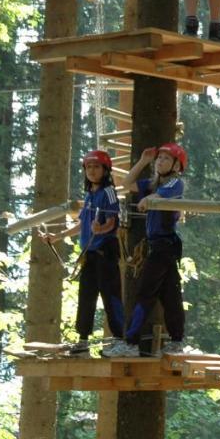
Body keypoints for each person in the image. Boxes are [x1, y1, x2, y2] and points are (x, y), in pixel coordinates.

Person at [102, 143, 190, 357]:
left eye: (166, 159)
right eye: (159, 158)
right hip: (160, 248)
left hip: (164, 246)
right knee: (170, 295)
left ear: (177, 166)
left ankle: (131, 342)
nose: (160, 161)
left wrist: (147, 200)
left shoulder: (176, 183)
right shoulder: (152, 184)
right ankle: (177, 341)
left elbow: (157, 198)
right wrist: (143, 161)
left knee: (145, 293)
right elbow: (126, 183)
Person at [41, 150, 125, 355]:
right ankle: (83, 341)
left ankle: (120, 339)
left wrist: (101, 229)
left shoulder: (108, 192)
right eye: (88, 167)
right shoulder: (90, 195)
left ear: (105, 170)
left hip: (105, 252)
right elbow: (82, 224)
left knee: (110, 296)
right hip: (90, 254)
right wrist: (57, 236)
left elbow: (113, 222)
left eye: (96, 167)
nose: (92, 171)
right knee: (86, 296)